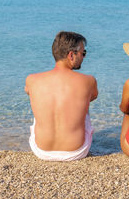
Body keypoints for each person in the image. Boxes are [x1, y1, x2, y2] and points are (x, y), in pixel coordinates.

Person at [25, 31, 98, 161]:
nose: (84, 57)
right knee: (83, 103)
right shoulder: (89, 80)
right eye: (83, 53)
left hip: (41, 150)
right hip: (77, 151)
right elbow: (92, 96)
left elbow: (28, 91)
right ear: (71, 55)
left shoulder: (31, 79)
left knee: (39, 99)